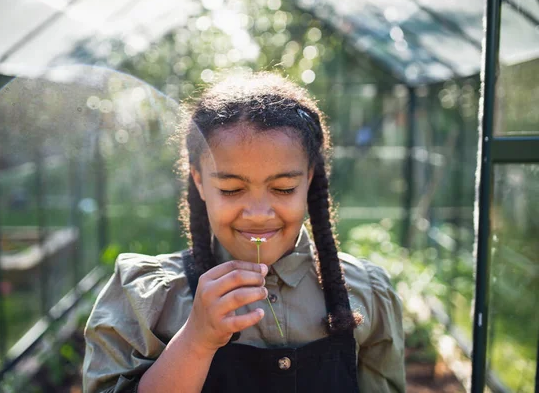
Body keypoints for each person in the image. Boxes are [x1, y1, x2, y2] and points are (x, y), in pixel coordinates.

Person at [82, 72, 405, 393]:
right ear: (199, 181)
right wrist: (196, 340)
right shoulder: (151, 300)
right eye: (232, 189)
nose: (258, 214)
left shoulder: (365, 295)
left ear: (308, 179)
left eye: (283, 188)